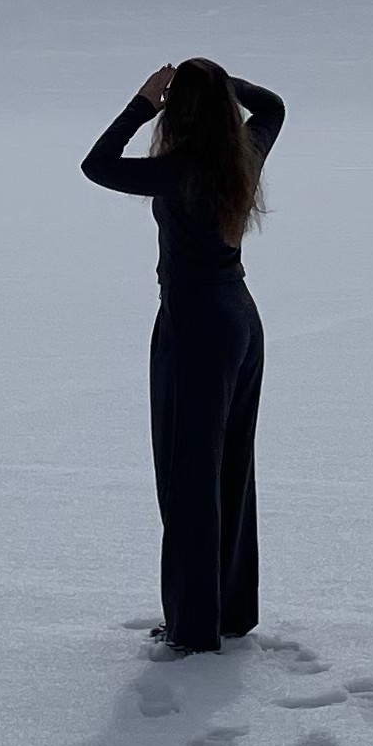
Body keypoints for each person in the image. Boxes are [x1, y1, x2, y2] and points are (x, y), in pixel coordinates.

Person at [81, 58, 287, 655]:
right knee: (228, 466)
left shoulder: (178, 170)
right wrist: (230, 86)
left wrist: (144, 102)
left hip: (194, 326)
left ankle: (194, 629)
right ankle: (227, 611)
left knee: (189, 476)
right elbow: (272, 106)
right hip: (240, 320)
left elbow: (96, 166)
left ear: (181, 111)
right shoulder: (242, 151)